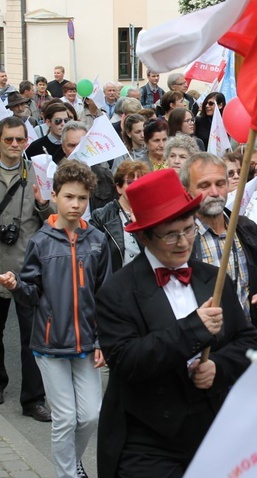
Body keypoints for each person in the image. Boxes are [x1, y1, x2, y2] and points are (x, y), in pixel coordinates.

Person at [95, 168, 257, 477]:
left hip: (211, 434)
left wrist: (218, 367)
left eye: (189, 229)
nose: (184, 241)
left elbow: (248, 342)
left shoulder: (213, 279)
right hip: (146, 439)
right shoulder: (116, 291)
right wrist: (194, 329)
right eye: (171, 234)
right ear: (143, 236)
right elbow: (127, 361)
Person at [0, 160, 110, 478]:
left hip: (87, 343)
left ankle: (72, 461)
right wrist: (16, 284)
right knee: (65, 418)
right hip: (50, 344)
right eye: (69, 197)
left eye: (82, 198)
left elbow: (105, 297)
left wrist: (103, 339)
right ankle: (67, 474)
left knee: (90, 415)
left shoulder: (97, 242)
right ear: (55, 195)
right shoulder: (40, 242)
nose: (75, 204)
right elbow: (31, 295)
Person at [182, 153, 257, 357]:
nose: (215, 192)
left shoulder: (247, 230)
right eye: (204, 185)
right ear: (187, 191)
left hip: (250, 348)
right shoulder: (181, 240)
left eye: (220, 183)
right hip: (204, 354)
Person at [0, 117, 52, 422]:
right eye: (8, 140)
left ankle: (33, 399)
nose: (15, 145)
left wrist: (44, 205)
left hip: (28, 272)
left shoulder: (38, 172)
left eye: (20, 140)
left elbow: (54, 220)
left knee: (32, 339)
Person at [91, 161, 151, 272]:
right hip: (115, 282)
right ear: (119, 188)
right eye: (130, 182)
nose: (136, 187)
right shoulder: (101, 216)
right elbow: (94, 255)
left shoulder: (153, 214)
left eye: (141, 182)